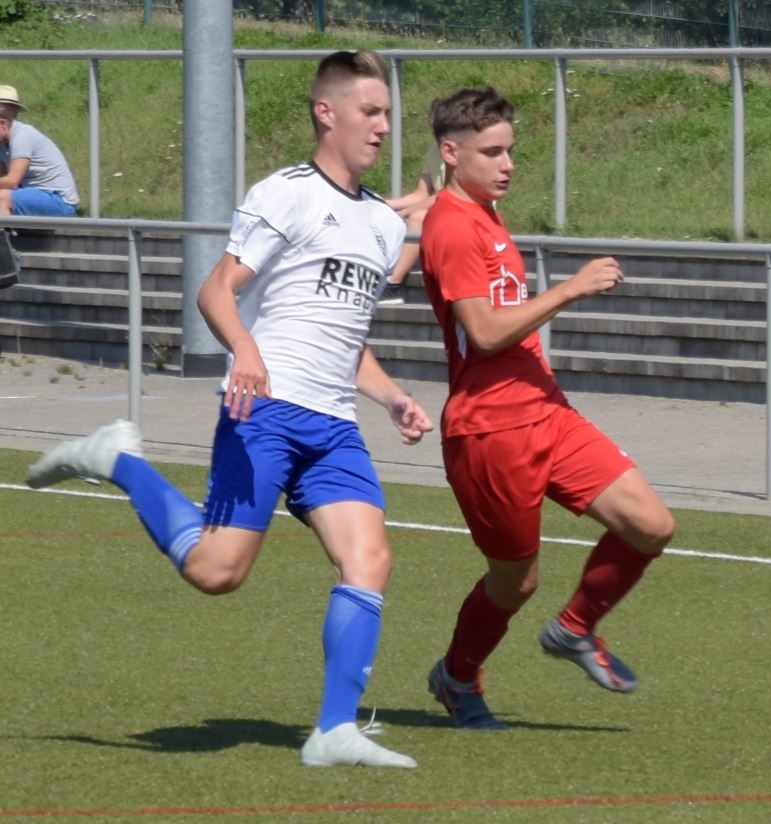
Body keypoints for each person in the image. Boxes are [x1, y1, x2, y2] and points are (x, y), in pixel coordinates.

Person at [24, 49, 433, 769]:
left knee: (369, 558)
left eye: (387, 115)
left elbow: (345, 338)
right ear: (326, 111)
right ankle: (118, 459)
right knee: (217, 572)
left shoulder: (380, 224)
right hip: (265, 412)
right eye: (369, 112)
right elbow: (215, 291)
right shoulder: (285, 194)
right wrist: (244, 349)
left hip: (334, 427)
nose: (381, 127)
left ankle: (333, 731)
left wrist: (393, 396)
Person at [419, 86, 675, 730]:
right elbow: (483, 332)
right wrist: (569, 290)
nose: (507, 164)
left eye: (510, 151)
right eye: (491, 152)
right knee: (516, 582)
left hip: (545, 410)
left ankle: (574, 629)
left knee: (650, 525)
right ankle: (457, 675)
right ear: (451, 153)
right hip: (490, 432)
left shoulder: (482, 211)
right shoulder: (452, 225)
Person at [0, 84, 80, 218]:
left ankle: (4, 231)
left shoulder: (22, 136)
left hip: (58, 200)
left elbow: (12, 181)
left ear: (2, 124)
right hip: (33, 195)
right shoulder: (3, 143)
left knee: (2, 197)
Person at [379, 142, 445, 304]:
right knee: (389, 216)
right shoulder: (434, 150)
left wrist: (405, 212)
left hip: (467, 214)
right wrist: (382, 204)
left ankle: (393, 285)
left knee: (417, 218)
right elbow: (421, 194)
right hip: (442, 212)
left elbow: (446, 194)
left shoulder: (462, 148)